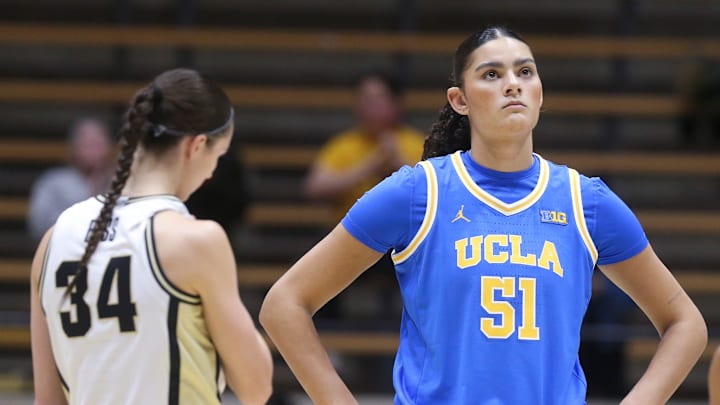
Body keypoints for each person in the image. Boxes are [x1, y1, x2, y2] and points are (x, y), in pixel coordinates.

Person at [260, 27, 707, 404]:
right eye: (491, 74)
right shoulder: (419, 192)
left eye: (524, 72)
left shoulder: (585, 201)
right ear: (459, 100)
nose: (512, 84)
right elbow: (285, 304)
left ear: (540, 92)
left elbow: (685, 324)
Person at [30, 68, 273, 405]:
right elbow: (256, 386)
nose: (213, 172)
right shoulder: (195, 241)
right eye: (217, 157)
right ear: (197, 145)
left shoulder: (53, 240)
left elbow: (47, 400)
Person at [303, 71, 425, 221]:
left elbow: (434, 191)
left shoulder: (417, 143)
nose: (370, 107)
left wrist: (398, 162)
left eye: (377, 100)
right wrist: (367, 168)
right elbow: (315, 188)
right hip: (351, 238)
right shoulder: (345, 144)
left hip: (408, 239)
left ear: (396, 103)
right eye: (365, 100)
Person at [27, 118, 114, 241]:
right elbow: (38, 224)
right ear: (74, 147)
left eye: (98, 144)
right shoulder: (53, 182)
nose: (93, 150)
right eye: (88, 144)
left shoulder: (120, 183)